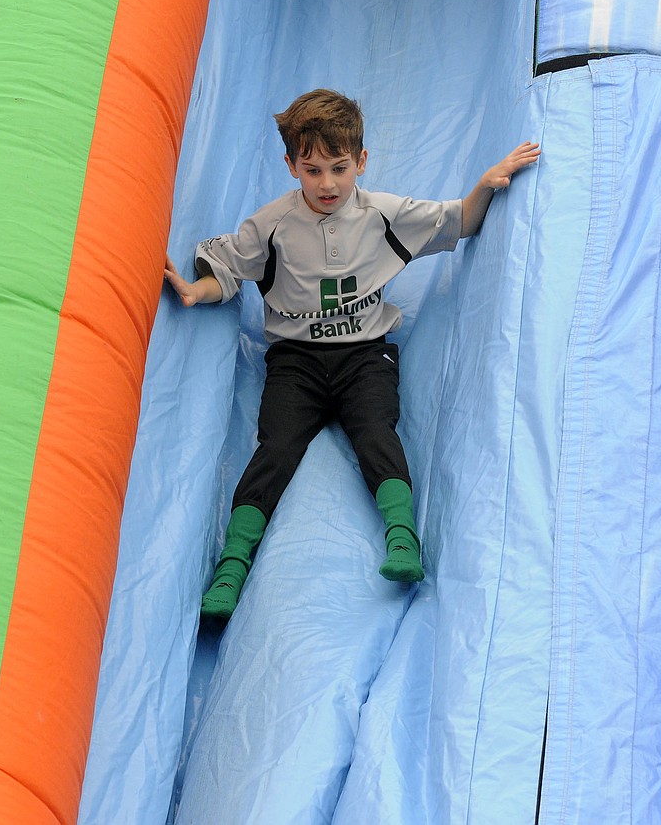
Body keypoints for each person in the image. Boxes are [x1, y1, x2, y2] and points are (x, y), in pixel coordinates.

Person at [165, 88, 540, 619]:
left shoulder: (382, 214)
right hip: (295, 360)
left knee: (376, 432)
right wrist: (192, 291)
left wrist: (484, 184)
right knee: (274, 449)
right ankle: (231, 567)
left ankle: (403, 540)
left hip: (365, 353)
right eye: (312, 169)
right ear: (291, 164)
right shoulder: (271, 225)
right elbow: (226, 269)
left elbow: (459, 221)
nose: (327, 184)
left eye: (339, 168)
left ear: (360, 162)